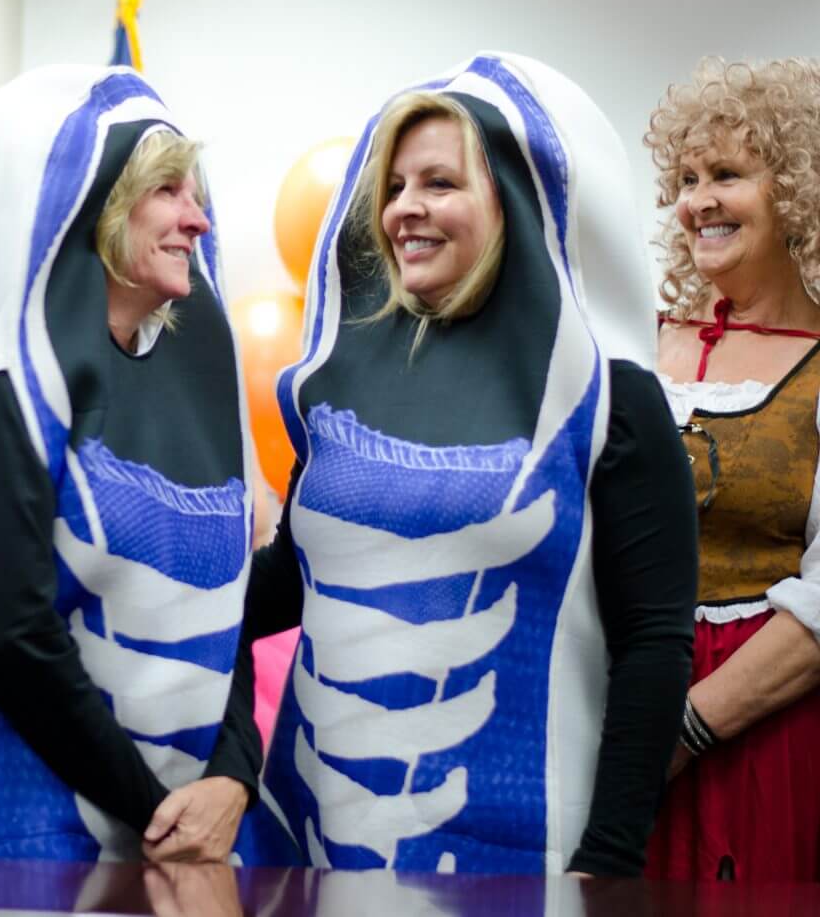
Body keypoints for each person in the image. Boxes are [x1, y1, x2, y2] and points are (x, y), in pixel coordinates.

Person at [235, 54, 698, 877]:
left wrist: (609, 858)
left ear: (513, 198)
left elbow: (654, 644)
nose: (403, 208)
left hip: (521, 853)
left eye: (439, 183)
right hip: (304, 846)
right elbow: (297, 579)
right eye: (394, 185)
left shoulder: (605, 396)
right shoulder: (340, 385)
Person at [0, 65, 260, 862]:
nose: (199, 219)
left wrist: (232, 772)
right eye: (168, 191)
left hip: (174, 824)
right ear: (101, 204)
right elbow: (6, 629)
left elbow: (227, 604)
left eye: (195, 192)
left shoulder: (199, 392)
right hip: (30, 831)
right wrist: (157, 813)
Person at [644, 58, 820, 883]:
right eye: (686, 179)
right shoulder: (639, 341)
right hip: (620, 712)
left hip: (764, 732)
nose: (698, 201)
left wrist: (685, 727)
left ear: (798, 191)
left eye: (727, 174)